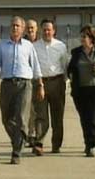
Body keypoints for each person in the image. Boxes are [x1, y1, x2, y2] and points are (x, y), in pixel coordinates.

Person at [0, 16, 44, 164]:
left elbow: (36, 66)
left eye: (18, 26)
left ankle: (16, 152)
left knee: (20, 117)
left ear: (23, 28)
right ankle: (20, 137)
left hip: (24, 85)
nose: (15, 28)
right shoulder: (1, 46)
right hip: (7, 85)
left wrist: (40, 85)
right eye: (13, 25)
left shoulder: (28, 46)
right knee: (6, 118)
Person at [67, 24, 95, 157]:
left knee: (94, 119)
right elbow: (70, 69)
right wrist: (70, 76)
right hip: (80, 91)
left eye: (84, 36)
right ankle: (88, 144)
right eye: (81, 36)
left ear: (92, 38)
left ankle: (93, 141)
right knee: (84, 119)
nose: (82, 39)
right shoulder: (76, 52)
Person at [32, 19, 68, 156]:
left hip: (57, 82)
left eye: (49, 29)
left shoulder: (61, 46)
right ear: (41, 31)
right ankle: (39, 143)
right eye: (44, 29)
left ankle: (56, 144)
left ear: (54, 31)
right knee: (41, 115)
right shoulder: (35, 46)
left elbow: (64, 66)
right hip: (40, 83)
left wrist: (64, 83)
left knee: (57, 116)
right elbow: (34, 66)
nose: (47, 32)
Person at [24, 19, 39, 147]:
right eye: (28, 28)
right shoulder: (21, 42)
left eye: (32, 28)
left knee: (37, 109)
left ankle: (36, 134)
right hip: (26, 80)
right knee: (27, 109)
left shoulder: (40, 42)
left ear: (36, 29)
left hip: (39, 80)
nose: (30, 30)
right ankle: (29, 134)